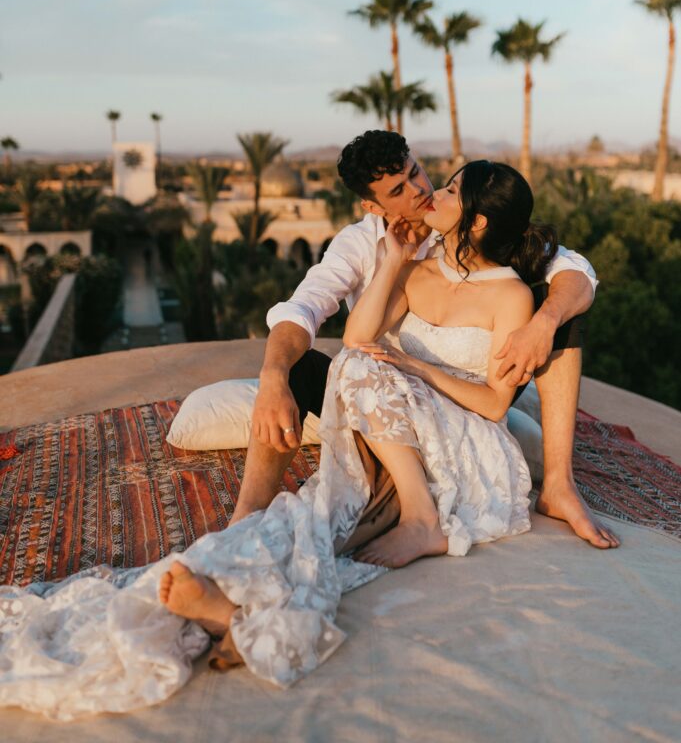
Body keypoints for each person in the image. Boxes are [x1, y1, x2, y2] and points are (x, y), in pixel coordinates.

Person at [0, 160, 563, 717]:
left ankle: (422, 519)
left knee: (367, 382)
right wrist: (392, 260)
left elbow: (492, 403)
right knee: (311, 515)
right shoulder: (418, 268)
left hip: (459, 433)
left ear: (479, 222)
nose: (430, 192)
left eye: (447, 189)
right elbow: (358, 338)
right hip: (398, 429)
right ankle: (235, 610)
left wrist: (417, 371)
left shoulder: (511, 296)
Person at [230, 130, 619, 550]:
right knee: (305, 367)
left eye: (416, 172)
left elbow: (575, 269)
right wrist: (271, 374)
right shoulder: (360, 245)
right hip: (382, 389)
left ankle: (558, 486)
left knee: (562, 308)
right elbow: (305, 310)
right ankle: (247, 512)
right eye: (398, 189)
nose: (420, 190)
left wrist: (543, 323)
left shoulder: (466, 224)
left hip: (460, 401)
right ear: (373, 206)